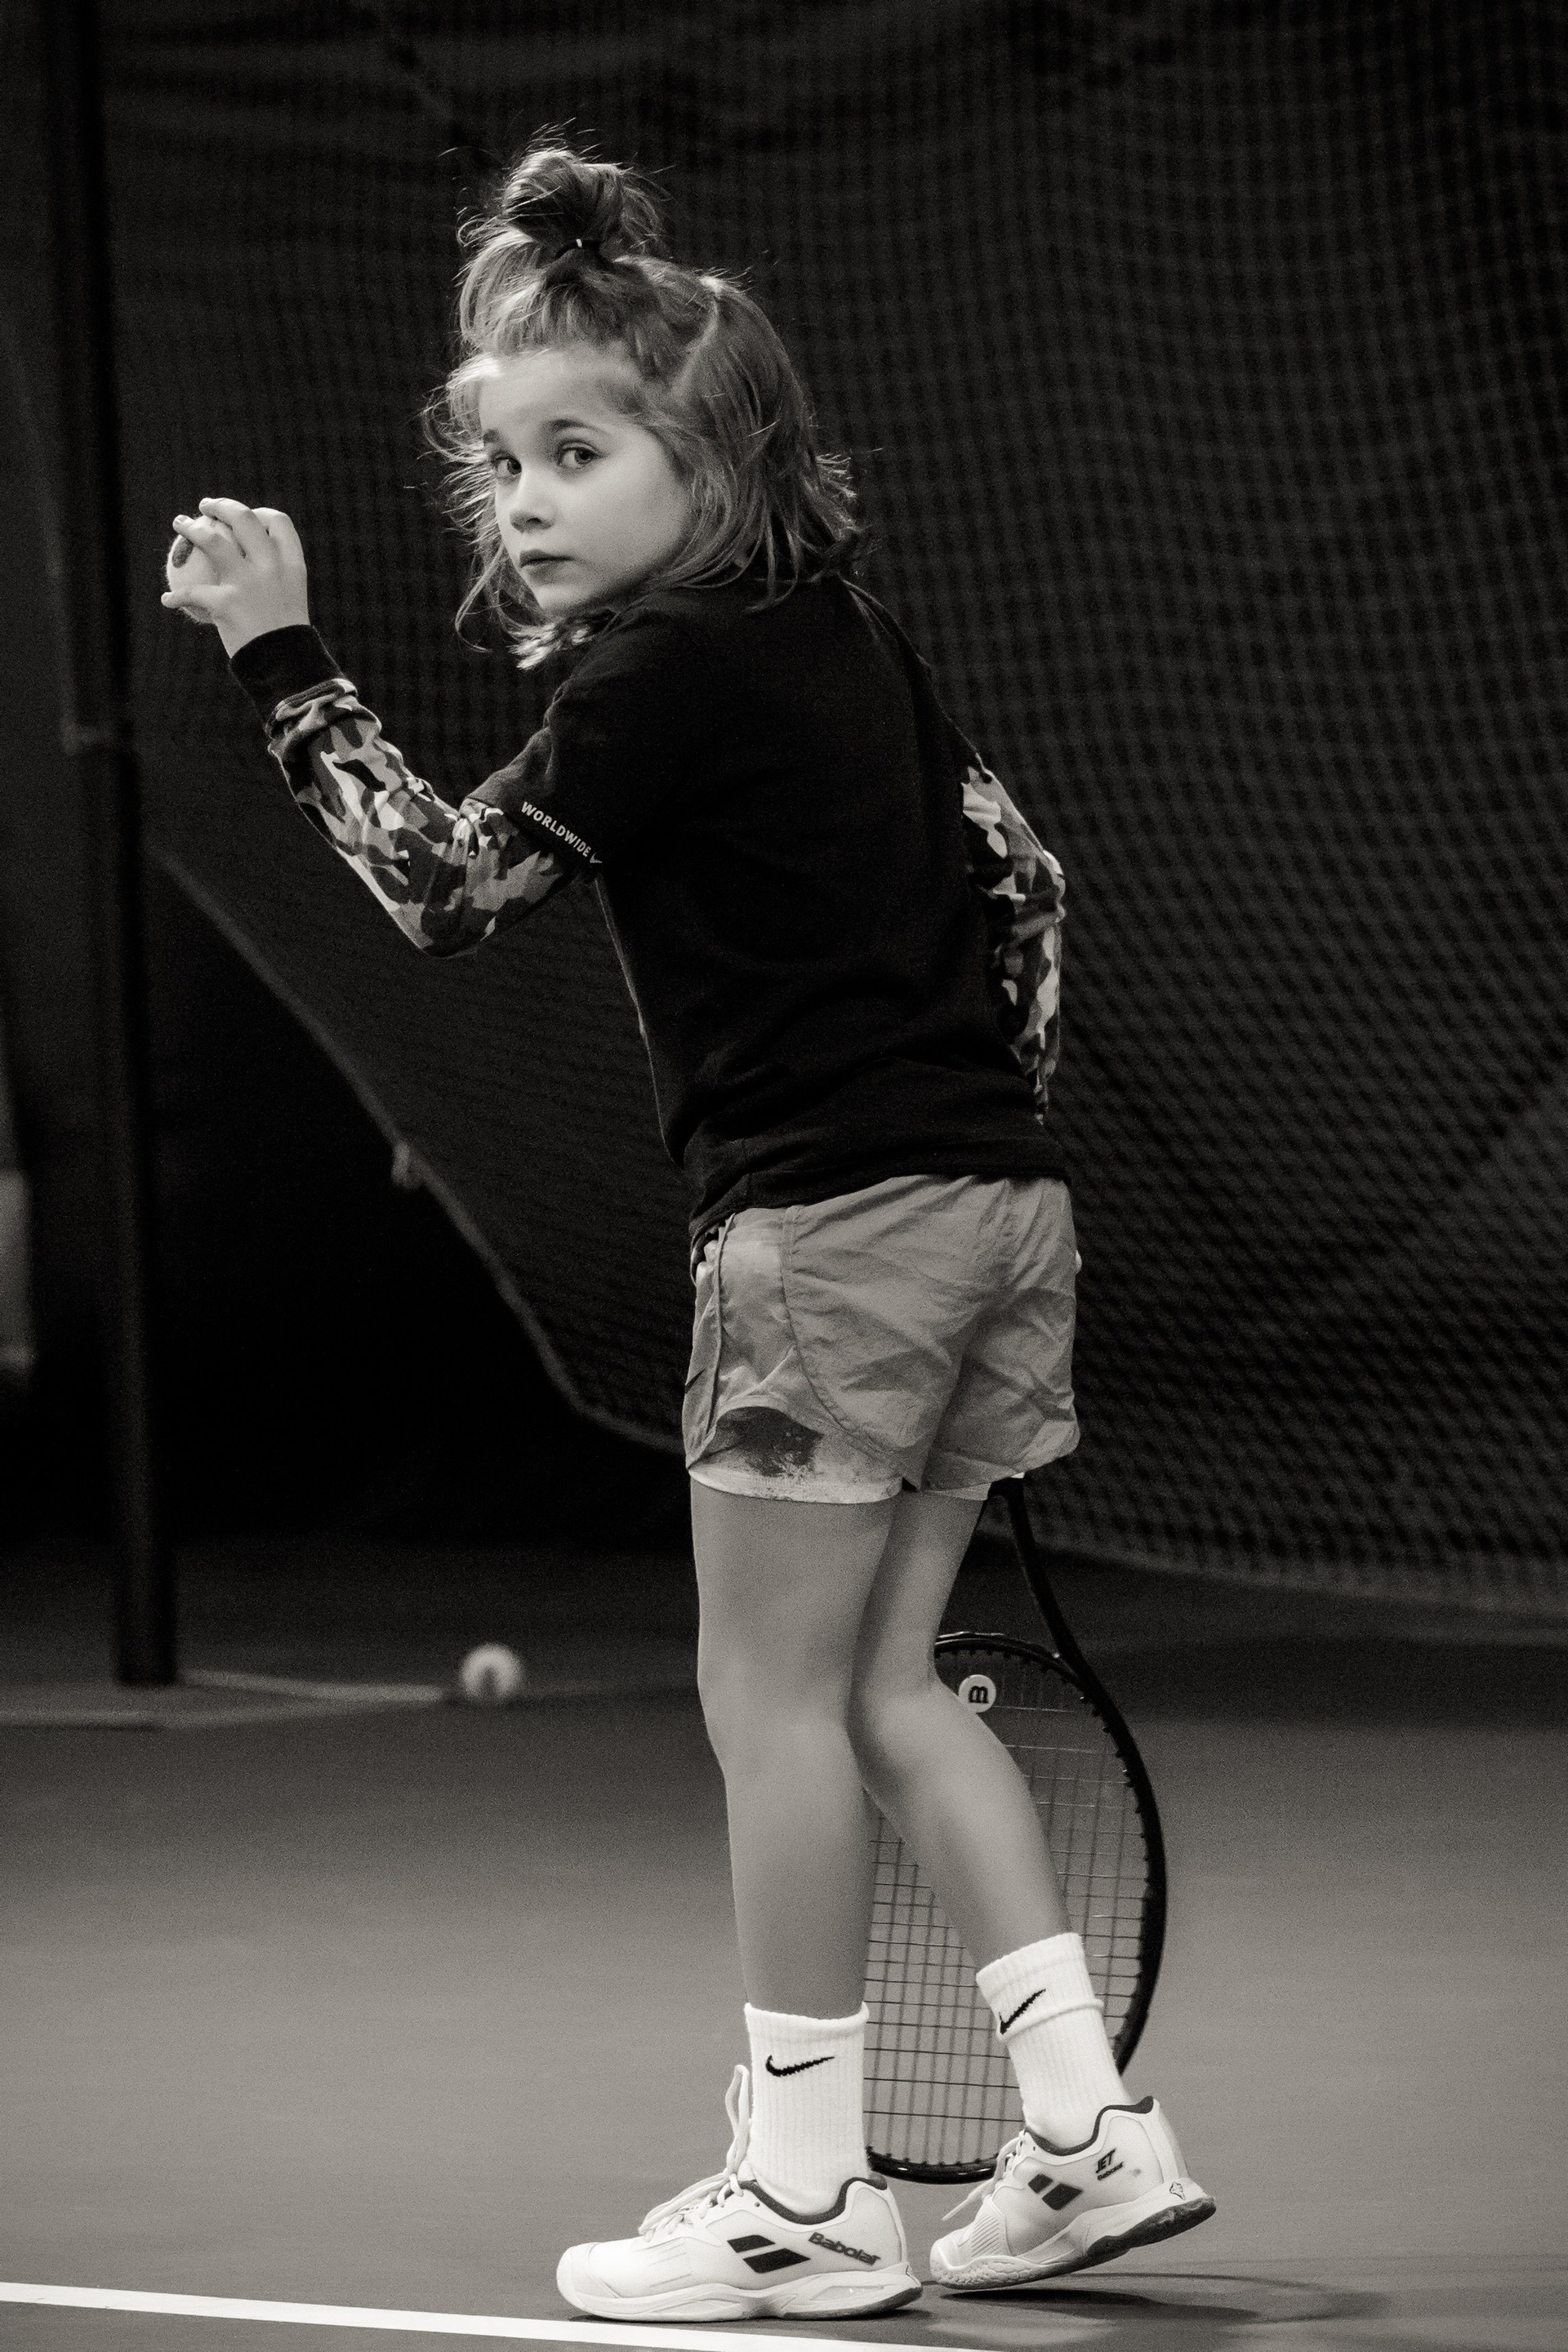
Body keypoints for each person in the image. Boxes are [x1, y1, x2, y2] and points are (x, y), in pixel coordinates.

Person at [163, 139, 1213, 2323]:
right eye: (503, 465)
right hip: (999, 1211)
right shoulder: (851, 638)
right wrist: (963, 1153)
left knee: (773, 1705)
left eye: (580, 453)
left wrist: (280, 658)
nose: (526, 502)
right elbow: (1024, 886)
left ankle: (809, 2195)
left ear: (713, 462)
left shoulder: (656, 676)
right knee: (890, 1687)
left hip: (830, 1234)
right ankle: (1088, 2141)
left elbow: (441, 891)